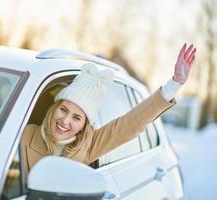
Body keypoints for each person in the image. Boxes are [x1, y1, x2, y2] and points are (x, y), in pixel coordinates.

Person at [20, 43, 196, 178]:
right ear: (54, 107)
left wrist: (173, 85)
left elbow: (130, 124)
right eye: (63, 109)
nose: (65, 121)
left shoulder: (88, 145)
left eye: (77, 117)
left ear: (84, 125)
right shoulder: (23, 133)